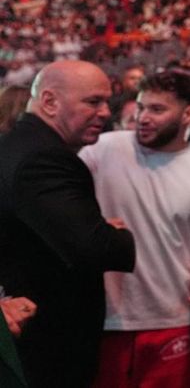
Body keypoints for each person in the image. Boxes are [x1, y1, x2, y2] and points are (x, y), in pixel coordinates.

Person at [79, 70, 190, 388]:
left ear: (188, 114)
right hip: (102, 318)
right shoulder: (100, 150)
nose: (144, 118)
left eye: (157, 109)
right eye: (141, 107)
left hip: (173, 317)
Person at [0, 61, 136, 388]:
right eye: (92, 102)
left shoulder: (23, 145)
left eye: (107, 101)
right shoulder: (43, 158)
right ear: (49, 102)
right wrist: (117, 236)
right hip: (46, 340)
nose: (105, 112)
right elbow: (92, 248)